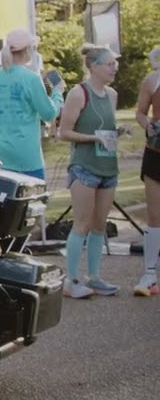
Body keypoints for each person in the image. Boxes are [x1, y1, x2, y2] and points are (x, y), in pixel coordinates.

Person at [57, 43, 126, 299]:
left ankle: (94, 277)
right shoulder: (78, 93)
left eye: (114, 64)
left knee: (99, 225)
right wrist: (93, 139)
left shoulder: (112, 95)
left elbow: (106, 128)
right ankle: (72, 279)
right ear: (94, 67)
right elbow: (63, 132)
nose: (114, 68)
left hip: (108, 167)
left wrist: (117, 134)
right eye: (109, 64)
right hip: (84, 168)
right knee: (82, 224)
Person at [0, 28, 64, 180]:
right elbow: (49, 113)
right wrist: (58, 92)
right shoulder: (31, 79)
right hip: (26, 154)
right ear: (27, 50)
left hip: (2, 150)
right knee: (34, 200)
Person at [131, 46, 160, 296]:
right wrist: (148, 125)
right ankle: (150, 273)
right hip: (155, 154)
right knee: (154, 214)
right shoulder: (152, 79)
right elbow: (140, 113)